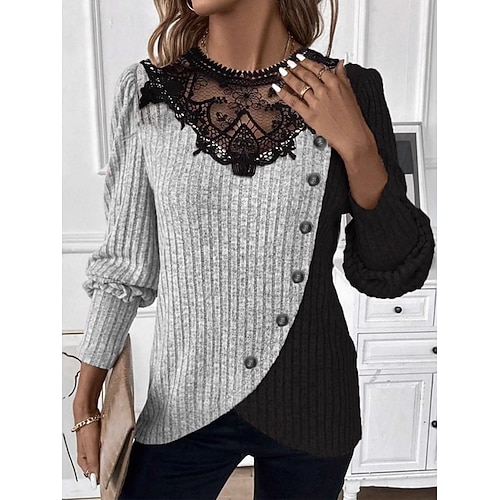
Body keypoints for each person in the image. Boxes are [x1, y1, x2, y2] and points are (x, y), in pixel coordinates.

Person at [72, 0, 435, 498]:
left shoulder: (349, 90)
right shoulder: (146, 93)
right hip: (183, 399)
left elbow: (393, 269)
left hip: (312, 399)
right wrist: (85, 396)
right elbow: (124, 266)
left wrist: (358, 148)